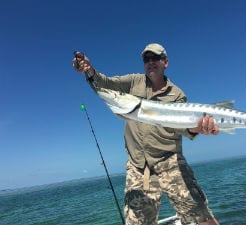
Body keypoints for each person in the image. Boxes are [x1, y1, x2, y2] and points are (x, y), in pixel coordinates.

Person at [72, 43, 220, 225]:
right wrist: (89, 71)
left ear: (165, 62)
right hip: (138, 166)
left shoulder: (177, 94)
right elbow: (106, 84)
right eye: (146, 59)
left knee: (199, 215)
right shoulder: (134, 81)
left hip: (170, 160)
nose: (150, 62)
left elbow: (182, 127)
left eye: (155, 58)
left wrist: (199, 128)